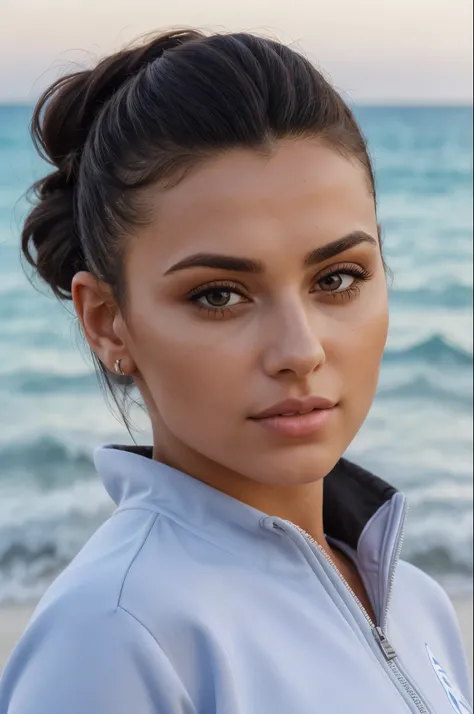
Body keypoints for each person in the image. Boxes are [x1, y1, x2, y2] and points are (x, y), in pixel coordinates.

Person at [0, 27, 471, 714]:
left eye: (338, 278)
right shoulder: (116, 638)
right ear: (107, 321)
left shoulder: (417, 605)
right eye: (218, 295)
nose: (299, 349)